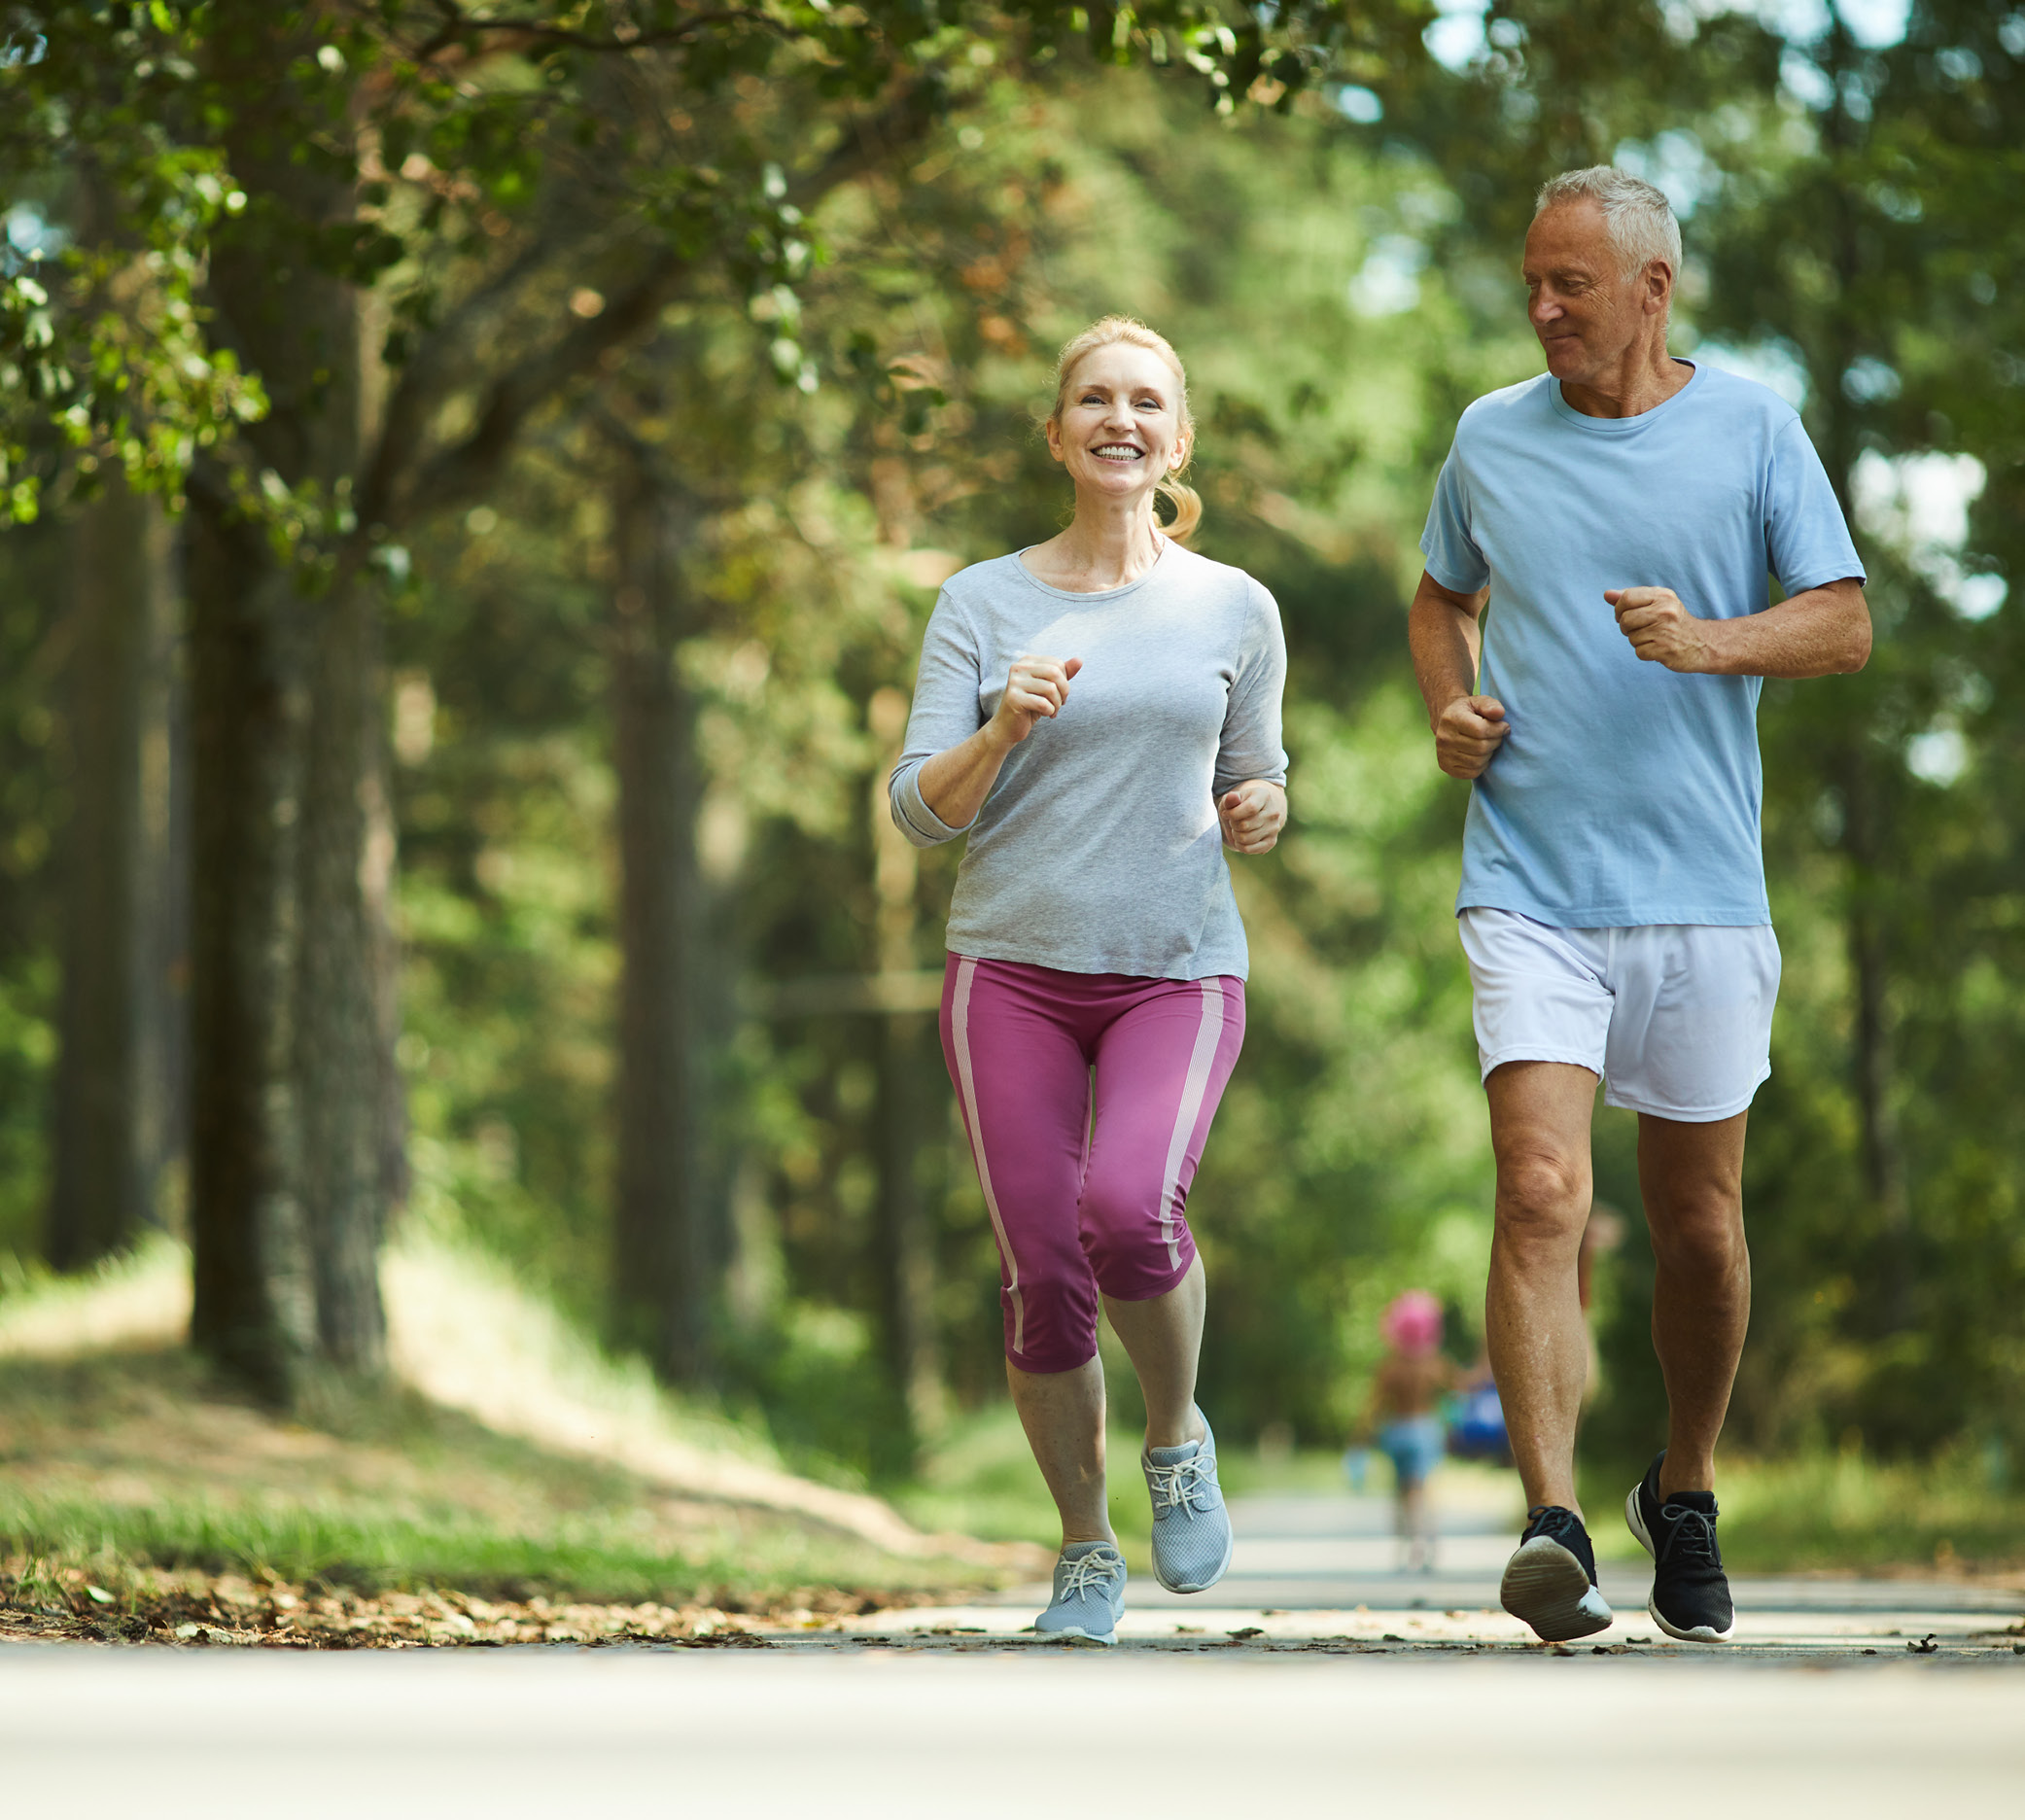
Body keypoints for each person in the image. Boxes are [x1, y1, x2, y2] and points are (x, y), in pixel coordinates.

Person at [1408, 167, 1869, 1643]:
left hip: (1700, 893)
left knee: (1699, 1232)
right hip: (1528, 876)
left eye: (1569, 285)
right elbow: (1438, 597)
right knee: (1540, 1190)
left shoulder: (1748, 428)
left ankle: (1681, 1486)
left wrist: (1707, 640)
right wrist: (1450, 708)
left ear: (1651, 289)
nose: (1538, 308)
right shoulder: (1487, 436)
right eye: (1529, 282)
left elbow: (1844, 623)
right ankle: (1548, 1525)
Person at [889, 315, 1289, 1645]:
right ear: (1055, 431)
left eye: (1144, 403)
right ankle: (1081, 1547)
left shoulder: (1232, 605)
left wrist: (1260, 808)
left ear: (1174, 438)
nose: (1118, 420)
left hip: (1175, 971)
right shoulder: (979, 602)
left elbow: (1253, 771)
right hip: (1005, 969)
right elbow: (915, 810)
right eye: (1093, 399)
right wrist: (1002, 726)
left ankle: (1173, 1436)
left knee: (1127, 1210)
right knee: (1039, 1271)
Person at [1358, 1291, 1456, 1571]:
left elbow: (1374, 1405)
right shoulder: (1435, 1364)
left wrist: (1362, 1436)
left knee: (1401, 1491)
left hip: (1397, 1431)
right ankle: (1427, 1543)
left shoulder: (1390, 1367)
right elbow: (1458, 1389)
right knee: (1422, 1490)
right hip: (1426, 1430)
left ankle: (1405, 1546)